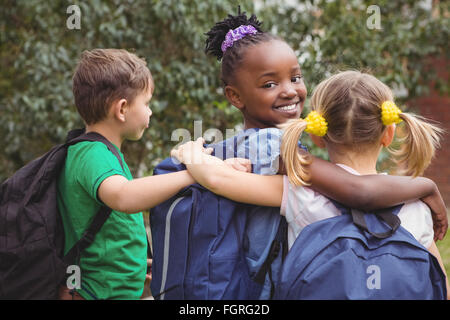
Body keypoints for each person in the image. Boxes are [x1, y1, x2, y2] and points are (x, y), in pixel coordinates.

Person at [171, 70, 449, 297]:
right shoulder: (416, 206)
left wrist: (192, 154)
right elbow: (439, 284)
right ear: (389, 133)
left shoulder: (298, 191)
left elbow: (218, 180)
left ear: (317, 135)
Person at [199, 10, 448, 236]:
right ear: (235, 96)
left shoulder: (248, 145)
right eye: (270, 84)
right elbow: (359, 192)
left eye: (295, 78)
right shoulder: (269, 147)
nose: (289, 91)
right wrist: (426, 186)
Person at [56, 49, 197, 300]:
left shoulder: (102, 153)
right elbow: (124, 197)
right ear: (122, 109)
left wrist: (134, 270)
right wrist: (194, 175)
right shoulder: (92, 154)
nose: (150, 112)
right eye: (147, 103)